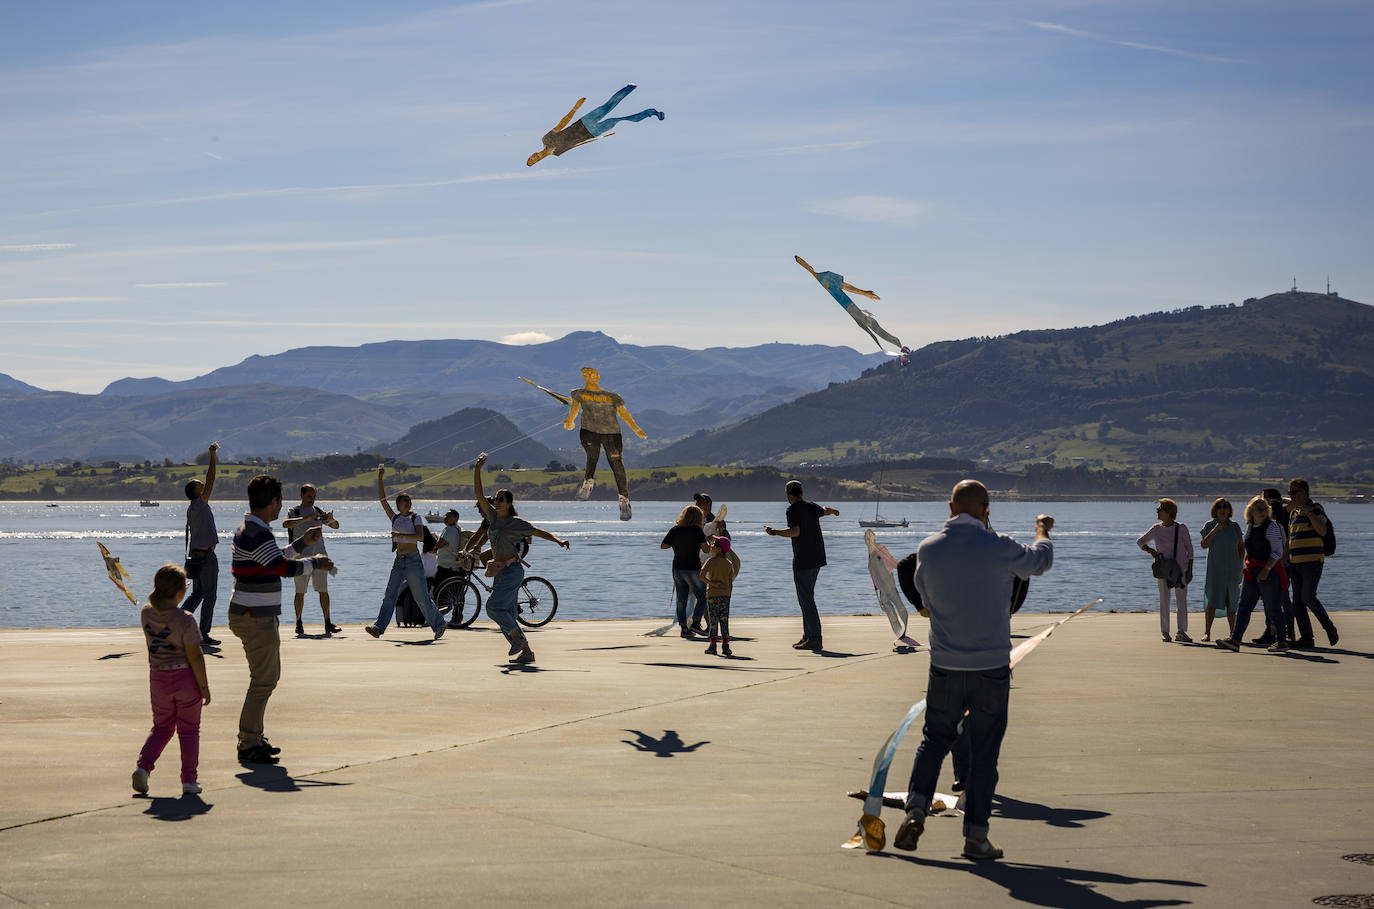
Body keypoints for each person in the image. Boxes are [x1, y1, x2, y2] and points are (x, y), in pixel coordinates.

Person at [894, 480, 1054, 861]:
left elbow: (924, 596)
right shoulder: (999, 546)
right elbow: (1039, 562)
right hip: (991, 667)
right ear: (986, 509)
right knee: (984, 755)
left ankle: (916, 809)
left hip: (946, 665)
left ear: (950, 507)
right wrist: (1042, 531)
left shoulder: (928, 549)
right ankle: (976, 837)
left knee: (934, 741)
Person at [228, 474, 332, 764]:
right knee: (263, 680)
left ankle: (254, 736)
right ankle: (248, 742)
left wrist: (301, 543)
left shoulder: (252, 528)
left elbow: (274, 557)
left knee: (266, 678)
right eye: (280, 501)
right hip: (254, 616)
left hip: (255, 613)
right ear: (273, 502)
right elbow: (281, 567)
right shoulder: (256, 531)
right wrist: (315, 561)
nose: (280, 507)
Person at [473, 453, 570, 664]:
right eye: (496, 499)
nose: (496, 502)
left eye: (500, 499)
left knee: (492, 608)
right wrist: (477, 469)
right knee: (506, 611)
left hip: (512, 571)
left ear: (508, 503)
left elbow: (538, 532)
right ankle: (527, 652)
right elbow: (479, 494)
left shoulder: (517, 523)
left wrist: (558, 540)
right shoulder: (491, 518)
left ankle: (517, 639)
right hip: (500, 572)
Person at [131, 563, 211, 797]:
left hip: (158, 678)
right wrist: (204, 687)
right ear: (180, 593)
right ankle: (189, 780)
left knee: (161, 728)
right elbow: (195, 655)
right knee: (189, 731)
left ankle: (143, 768)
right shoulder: (186, 619)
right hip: (185, 678)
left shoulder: (146, 612)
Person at [365, 467, 446, 640]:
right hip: (399, 561)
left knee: (421, 597)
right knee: (390, 594)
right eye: (405, 501)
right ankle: (378, 627)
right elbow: (382, 499)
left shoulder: (415, 518)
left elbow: (420, 536)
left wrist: (399, 535)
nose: (409, 504)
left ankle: (439, 624)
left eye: (409, 501)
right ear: (398, 504)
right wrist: (380, 477)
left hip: (413, 561)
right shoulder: (395, 518)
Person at [764, 480, 839, 651]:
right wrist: (833, 511)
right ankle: (807, 636)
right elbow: (824, 511)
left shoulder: (792, 509)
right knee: (807, 598)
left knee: (806, 600)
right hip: (818, 558)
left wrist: (774, 532)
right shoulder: (812, 506)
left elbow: (795, 532)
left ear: (789, 494)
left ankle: (815, 638)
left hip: (803, 559)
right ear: (802, 493)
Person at [564, 366, 647, 521]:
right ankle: (588, 481)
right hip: (589, 431)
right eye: (587, 374)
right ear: (583, 377)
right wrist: (570, 421)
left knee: (616, 463)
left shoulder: (612, 396)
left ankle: (624, 498)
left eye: (594, 374)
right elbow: (574, 409)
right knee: (592, 455)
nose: (591, 377)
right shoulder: (579, 393)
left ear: (599, 376)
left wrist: (636, 429)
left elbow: (624, 413)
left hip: (612, 433)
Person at [1215, 496, 1290, 653]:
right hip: (1251, 573)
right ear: (1251, 511)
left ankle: (1282, 641)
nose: (1262, 512)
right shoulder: (1250, 526)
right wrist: (1246, 571)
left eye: (1265, 509)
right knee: (1244, 606)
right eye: (1259, 509)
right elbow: (1249, 551)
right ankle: (1235, 640)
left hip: (1268, 572)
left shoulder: (1272, 527)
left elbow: (1278, 552)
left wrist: (1266, 570)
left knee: (1273, 607)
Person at [527, 84, 664, 166]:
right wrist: (598, 138)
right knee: (615, 120)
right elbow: (575, 145)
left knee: (607, 107)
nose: (535, 159)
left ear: (533, 153)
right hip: (593, 133)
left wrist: (575, 108)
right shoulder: (557, 153)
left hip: (584, 122)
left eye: (532, 158)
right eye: (534, 162)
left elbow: (562, 123)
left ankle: (630, 87)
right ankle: (651, 112)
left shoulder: (546, 139)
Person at [283, 484, 341, 638]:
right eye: (309, 496)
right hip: (300, 559)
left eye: (314, 496)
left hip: (320, 557)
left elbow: (336, 526)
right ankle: (298, 623)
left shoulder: (319, 511)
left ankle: (328, 622)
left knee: (323, 591)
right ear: (302, 495)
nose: (312, 499)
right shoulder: (294, 511)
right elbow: (286, 524)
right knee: (300, 592)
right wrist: (305, 519)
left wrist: (331, 519)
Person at [1286, 479, 1338, 648]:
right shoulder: (1294, 513)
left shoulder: (1315, 508)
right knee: (1297, 602)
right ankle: (1307, 638)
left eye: (1294, 492)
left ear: (1304, 492)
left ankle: (1329, 627)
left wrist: (1309, 513)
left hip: (1312, 563)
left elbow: (1322, 530)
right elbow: (1290, 539)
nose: (1291, 496)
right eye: (1290, 493)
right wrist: (1283, 561)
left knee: (1308, 596)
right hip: (1295, 564)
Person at [1136, 498, 1194, 643]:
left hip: (1180, 569)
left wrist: (1189, 571)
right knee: (1164, 600)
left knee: (1181, 602)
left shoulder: (1181, 528)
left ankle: (1181, 631)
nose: (1157, 512)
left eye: (1159, 509)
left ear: (1169, 512)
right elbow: (1140, 541)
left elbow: (1190, 550)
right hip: (1163, 569)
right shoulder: (1156, 528)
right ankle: (1165, 632)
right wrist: (1151, 551)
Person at [182, 442, 221, 647]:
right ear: (195, 491)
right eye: (199, 484)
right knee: (210, 596)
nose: (203, 485)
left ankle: (177, 622)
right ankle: (204, 633)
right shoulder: (199, 503)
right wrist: (212, 455)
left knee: (197, 594)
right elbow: (211, 478)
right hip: (205, 557)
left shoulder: (192, 507)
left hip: (196, 555)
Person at [661, 505, 710, 638]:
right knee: (702, 597)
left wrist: (677, 543)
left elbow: (663, 546)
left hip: (677, 568)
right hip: (693, 568)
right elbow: (706, 550)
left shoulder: (675, 530)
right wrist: (707, 540)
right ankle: (696, 622)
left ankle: (684, 628)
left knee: (681, 599)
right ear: (697, 518)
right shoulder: (697, 531)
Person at [1199, 497, 1243, 643]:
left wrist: (1241, 567)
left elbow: (1241, 548)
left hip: (1233, 570)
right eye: (1220, 507)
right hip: (1215, 570)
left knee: (1231, 602)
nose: (1223, 509)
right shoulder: (1209, 525)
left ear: (1229, 510)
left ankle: (1233, 634)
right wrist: (1214, 530)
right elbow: (1204, 545)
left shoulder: (1235, 526)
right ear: (1215, 510)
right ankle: (1207, 632)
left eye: (1225, 507)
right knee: (1212, 600)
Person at [699, 536, 736, 657]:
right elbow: (730, 582)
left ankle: (713, 646)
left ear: (719, 549)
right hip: (725, 596)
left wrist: (713, 583)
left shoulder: (710, 561)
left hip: (712, 595)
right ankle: (726, 646)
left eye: (714, 544)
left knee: (713, 620)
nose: (711, 545)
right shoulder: (728, 563)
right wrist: (729, 594)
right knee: (724, 621)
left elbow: (701, 576)